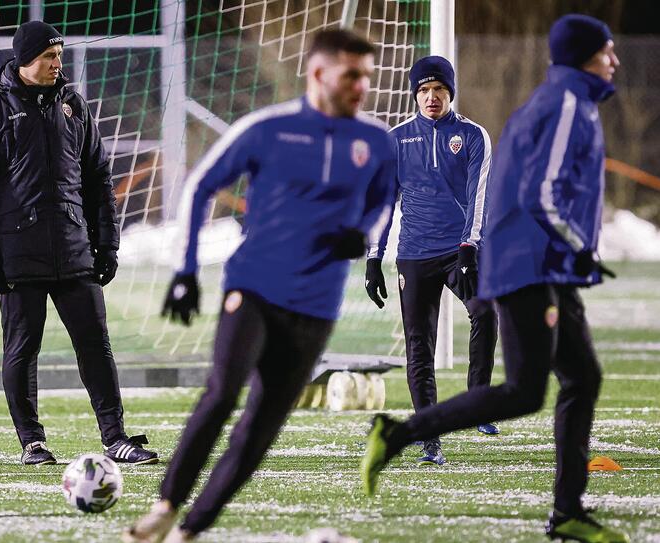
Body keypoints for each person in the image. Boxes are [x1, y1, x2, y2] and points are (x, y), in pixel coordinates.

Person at [361, 14, 627, 543]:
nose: (615, 61)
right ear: (583, 57)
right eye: (607, 51)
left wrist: (475, 244)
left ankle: (566, 510)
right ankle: (406, 432)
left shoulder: (536, 111)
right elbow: (543, 192)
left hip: (515, 258)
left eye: (440, 88)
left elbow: (501, 190)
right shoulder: (567, 105)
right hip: (526, 263)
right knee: (527, 387)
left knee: (574, 378)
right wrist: (581, 249)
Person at [124, 29, 396, 543]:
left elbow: (385, 199)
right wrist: (185, 271)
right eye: (352, 74)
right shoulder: (268, 129)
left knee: (261, 427)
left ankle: (190, 531)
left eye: (367, 75)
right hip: (253, 289)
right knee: (222, 393)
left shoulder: (376, 141)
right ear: (319, 73)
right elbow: (203, 184)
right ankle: (164, 507)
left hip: (317, 307)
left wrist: (365, 233)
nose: (362, 85)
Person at [0, 21, 157, 466]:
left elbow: (99, 180)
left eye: (59, 55)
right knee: (23, 349)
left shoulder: (74, 107)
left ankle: (116, 438)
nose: (57, 63)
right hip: (16, 256)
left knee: (96, 345)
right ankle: (32, 441)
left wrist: (107, 245)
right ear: (25, 60)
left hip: (73, 249)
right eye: (49, 56)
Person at [364, 55, 499, 466]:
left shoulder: (474, 136)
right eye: (423, 90)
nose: (431, 97)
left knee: (485, 312)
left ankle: (477, 401)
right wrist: (374, 258)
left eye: (438, 89)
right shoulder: (395, 140)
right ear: (414, 96)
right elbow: (382, 204)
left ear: (450, 92)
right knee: (418, 347)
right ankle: (430, 439)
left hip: (461, 250)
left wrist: (469, 247)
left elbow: (479, 197)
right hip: (415, 256)